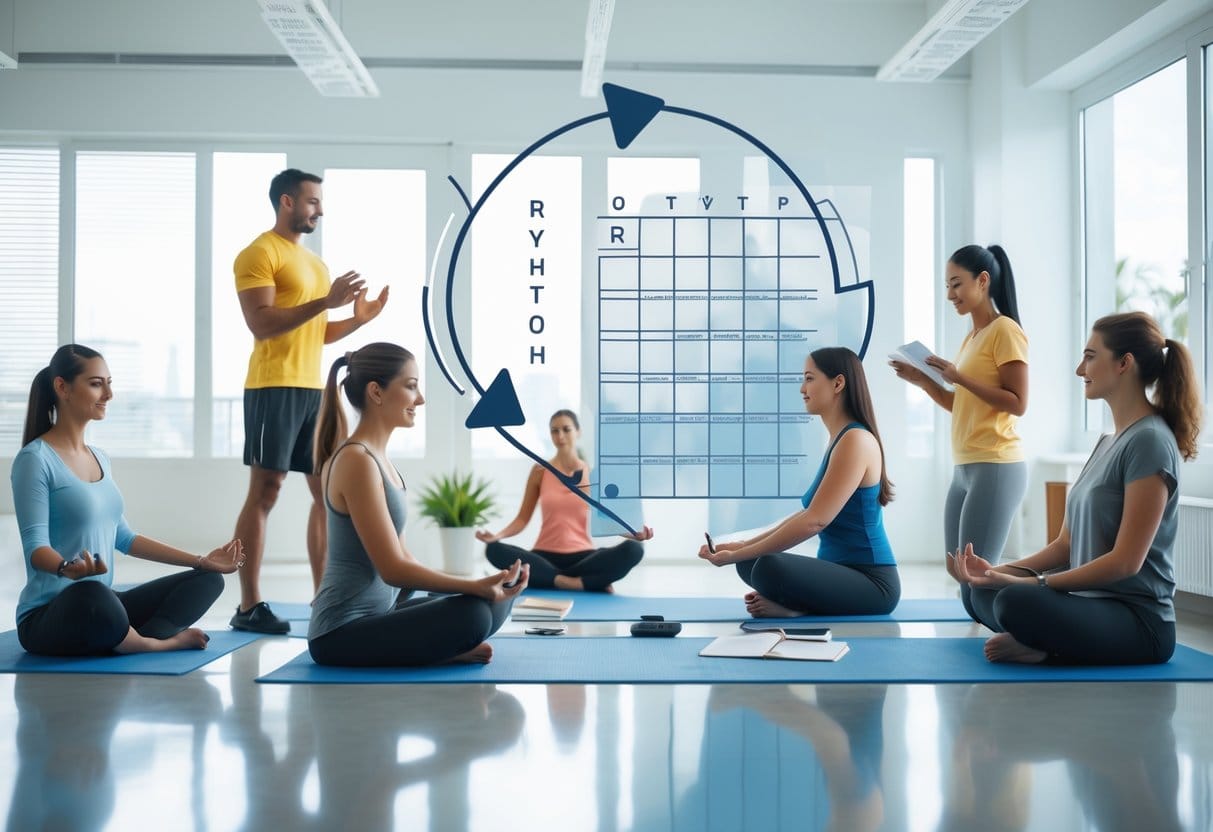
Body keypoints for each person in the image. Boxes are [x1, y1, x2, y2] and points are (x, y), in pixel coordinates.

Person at [952, 312, 1200, 664]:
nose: (1080, 370)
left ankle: (1047, 649)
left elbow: (1126, 563)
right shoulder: (1107, 442)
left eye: (1090, 356)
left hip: (1138, 622)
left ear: (1124, 364)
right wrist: (999, 572)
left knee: (1012, 601)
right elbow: (1065, 545)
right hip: (1087, 605)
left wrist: (1030, 585)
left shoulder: (1150, 442)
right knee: (980, 594)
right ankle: (1043, 640)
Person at [230, 167, 389, 634]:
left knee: (326, 494)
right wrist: (325, 302)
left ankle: (327, 597)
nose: (320, 209)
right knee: (266, 491)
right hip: (272, 386)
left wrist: (357, 320)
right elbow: (261, 323)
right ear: (287, 202)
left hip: (312, 389)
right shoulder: (258, 253)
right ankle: (248, 606)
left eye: (320, 202)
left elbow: (316, 334)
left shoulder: (315, 265)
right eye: (313, 201)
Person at [11, 344, 243, 657]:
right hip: (51, 615)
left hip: (102, 604)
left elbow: (125, 538)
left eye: (109, 383)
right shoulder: (35, 460)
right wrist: (67, 568)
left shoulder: (100, 458)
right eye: (96, 384)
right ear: (62, 387)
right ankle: (153, 643)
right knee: (93, 594)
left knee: (208, 581)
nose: (108, 394)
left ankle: (125, 636)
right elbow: (35, 548)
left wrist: (200, 561)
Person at [307, 343, 527, 666]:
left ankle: (441, 645)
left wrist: (475, 588)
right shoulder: (356, 461)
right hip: (339, 633)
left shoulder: (380, 461)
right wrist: (473, 587)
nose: (420, 399)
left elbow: (404, 556)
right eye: (411, 386)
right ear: (376, 392)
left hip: (382, 614)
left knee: (492, 602)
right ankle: (442, 648)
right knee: (474, 614)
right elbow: (393, 569)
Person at [699, 347, 900, 617]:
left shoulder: (855, 440)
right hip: (841, 573)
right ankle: (797, 604)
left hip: (873, 583)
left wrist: (736, 554)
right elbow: (805, 515)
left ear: (838, 383)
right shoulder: (839, 439)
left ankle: (797, 610)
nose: (802, 388)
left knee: (768, 566)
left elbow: (814, 521)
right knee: (751, 562)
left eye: (809, 378)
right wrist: (742, 548)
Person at [890, 244, 1028, 621]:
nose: (950, 295)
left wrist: (958, 375)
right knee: (960, 575)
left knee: (976, 581)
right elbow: (960, 404)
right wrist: (923, 380)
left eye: (956, 284)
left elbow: (1017, 402)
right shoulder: (972, 338)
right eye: (947, 286)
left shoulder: (1005, 331)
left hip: (996, 464)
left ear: (982, 281)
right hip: (965, 466)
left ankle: (1032, 631)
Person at [477, 409, 653, 592]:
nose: (560, 436)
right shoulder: (539, 471)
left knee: (635, 549)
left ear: (578, 432)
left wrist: (634, 534)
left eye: (566, 429)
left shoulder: (592, 475)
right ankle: (583, 582)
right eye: (555, 431)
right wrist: (497, 536)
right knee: (493, 549)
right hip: (543, 557)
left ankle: (550, 580)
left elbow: (605, 520)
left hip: (583, 557)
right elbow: (522, 519)